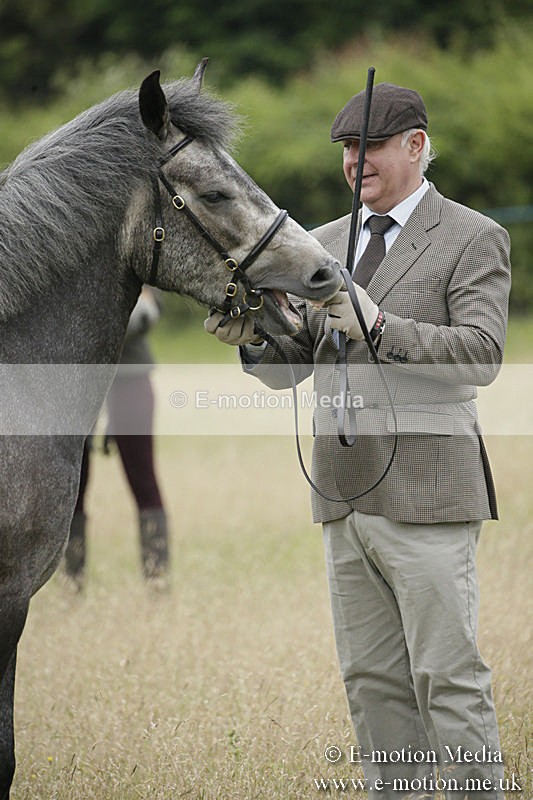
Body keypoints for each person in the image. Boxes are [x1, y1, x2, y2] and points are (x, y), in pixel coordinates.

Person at [205, 82, 511, 798]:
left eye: (369, 146)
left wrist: (377, 328)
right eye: (347, 149)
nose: (355, 161)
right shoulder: (320, 242)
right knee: (371, 680)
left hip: (429, 494)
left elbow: (481, 354)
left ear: (414, 145)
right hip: (340, 493)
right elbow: (290, 373)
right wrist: (255, 342)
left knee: (447, 676)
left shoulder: (471, 235)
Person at [64, 285, 170, 591]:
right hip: (79, 381)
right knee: (72, 485)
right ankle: (72, 584)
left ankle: (157, 582)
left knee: (143, 481)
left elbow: (148, 312)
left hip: (130, 374)